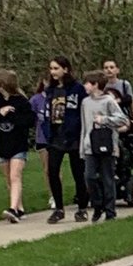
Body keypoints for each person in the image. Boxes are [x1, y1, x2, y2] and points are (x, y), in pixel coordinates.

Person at [43, 56, 89, 223]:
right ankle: (59, 209)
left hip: (74, 136)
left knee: (78, 173)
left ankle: (82, 208)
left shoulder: (77, 89)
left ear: (66, 69)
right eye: (51, 68)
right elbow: (47, 112)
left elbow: (83, 111)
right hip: (56, 136)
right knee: (52, 171)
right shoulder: (50, 90)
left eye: (56, 68)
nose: (53, 72)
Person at [80, 70, 128, 222]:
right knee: (89, 176)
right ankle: (97, 204)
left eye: (87, 83)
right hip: (90, 145)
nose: (84, 86)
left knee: (108, 178)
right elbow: (84, 126)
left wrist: (105, 119)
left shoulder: (108, 101)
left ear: (95, 85)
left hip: (107, 145)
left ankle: (110, 211)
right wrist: (82, 147)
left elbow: (122, 119)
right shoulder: (85, 102)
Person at [0, 69, 33, 223]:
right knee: (8, 178)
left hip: (18, 144)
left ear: (3, 83)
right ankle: (19, 208)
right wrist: (0, 113)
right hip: (1, 144)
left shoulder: (21, 101)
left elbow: (29, 121)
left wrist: (12, 114)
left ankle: (12, 208)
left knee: (15, 176)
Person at [29, 75, 53, 209]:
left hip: (56, 138)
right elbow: (30, 119)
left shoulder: (58, 96)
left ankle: (57, 194)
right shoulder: (36, 99)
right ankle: (52, 195)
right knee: (47, 169)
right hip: (42, 138)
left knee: (55, 168)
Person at [102, 59, 133, 123]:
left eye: (111, 67)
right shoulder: (101, 86)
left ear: (117, 70)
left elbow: (132, 103)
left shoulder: (124, 84)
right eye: (106, 68)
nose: (109, 70)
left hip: (124, 119)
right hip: (107, 120)